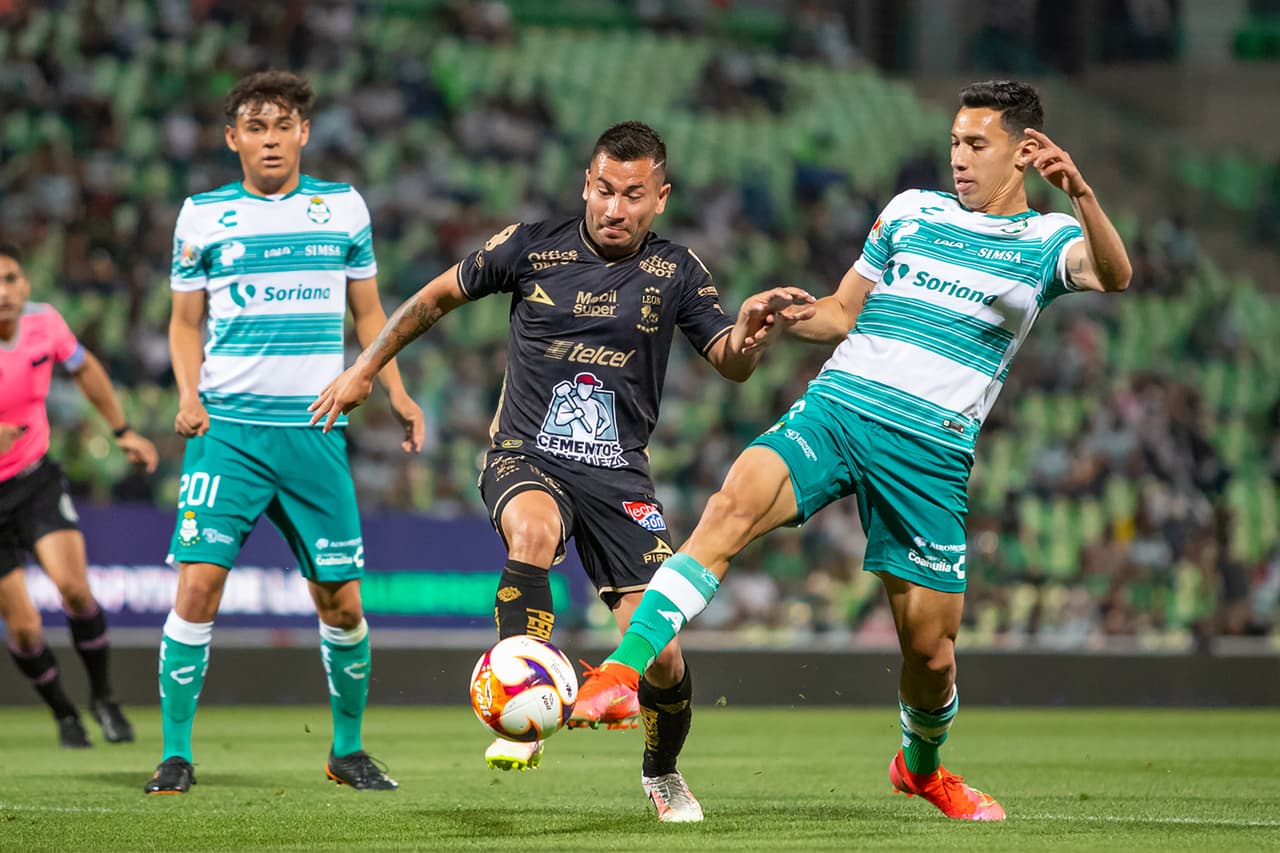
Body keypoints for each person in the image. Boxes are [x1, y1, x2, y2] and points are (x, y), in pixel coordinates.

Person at [571, 81, 1133, 821]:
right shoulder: (910, 211)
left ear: (1025, 150)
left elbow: (1115, 275)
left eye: (977, 145)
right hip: (840, 407)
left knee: (931, 656)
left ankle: (922, 767)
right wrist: (782, 315)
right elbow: (840, 312)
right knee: (731, 504)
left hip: (929, 455)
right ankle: (620, 669)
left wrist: (1082, 193)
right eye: (954, 143)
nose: (958, 159)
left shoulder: (1050, 239)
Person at [310, 121, 814, 821]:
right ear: (586, 182)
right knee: (533, 531)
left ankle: (662, 770)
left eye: (633, 195)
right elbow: (432, 299)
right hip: (526, 454)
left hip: (619, 479)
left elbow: (727, 360)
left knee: (661, 656)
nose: (615, 208)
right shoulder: (529, 246)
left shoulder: (677, 271)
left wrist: (752, 337)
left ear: (660, 198)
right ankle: (524, 694)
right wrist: (365, 370)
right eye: (604, 189)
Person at [144, 70, 424, 795]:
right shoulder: (202, 215)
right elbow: (183, 321)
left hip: (316, 428)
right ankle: (175, 752)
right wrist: (186, 394)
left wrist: (393, 387)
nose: (271, 139)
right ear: (232, 137)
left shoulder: (342, 207)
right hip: (228, 431)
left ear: (304, 132)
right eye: (255, 127)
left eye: (283, 125)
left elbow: (370, 313)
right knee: (198, 586)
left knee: (343, 601)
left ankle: (347, 749)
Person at [0, 241, 159, 748]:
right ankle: (65, 714)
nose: (3, 292)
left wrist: (122, 430)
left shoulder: (44, 323)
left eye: (10, 279)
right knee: (23, 630)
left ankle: (104, 697)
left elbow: (85, 369)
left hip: (34, 481)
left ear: (25, 284)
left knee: (74, 589)